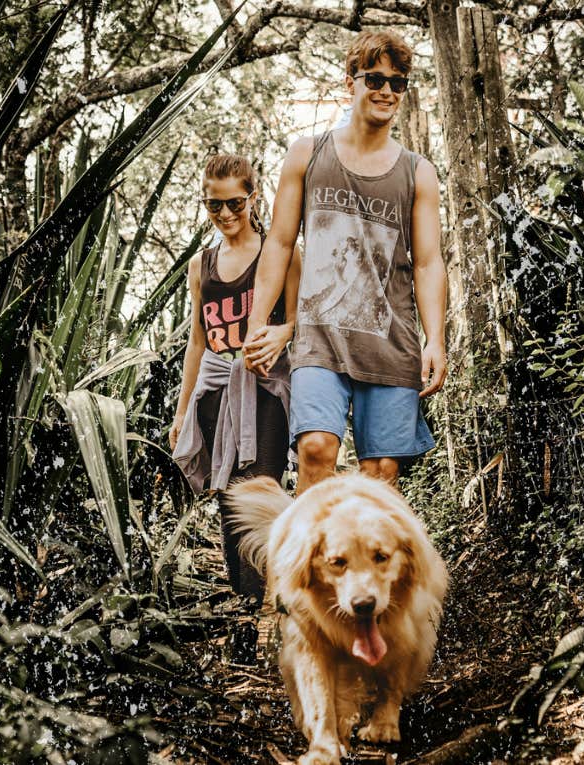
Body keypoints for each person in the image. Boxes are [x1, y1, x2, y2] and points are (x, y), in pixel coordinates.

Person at [243, 30, 447, 495]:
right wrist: (258, 322)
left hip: (392, 343)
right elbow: (278, 243)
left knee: (381, 477)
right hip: (321, 339)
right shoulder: (308, 154)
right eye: (374, 78)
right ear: (349, 83)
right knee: (316, 450)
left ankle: (367, 569)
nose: (386, 91)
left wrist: (435, 340)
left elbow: (428, 263)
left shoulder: (418, 173)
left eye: (398, 83)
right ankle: (304, 567)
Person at [170, 153, 300, 664]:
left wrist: (281, 337)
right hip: (216, 390)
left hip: (265, 390)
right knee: (228, 502)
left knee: (262, 494)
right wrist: (183, 412)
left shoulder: (280, 252)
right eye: (213, 205)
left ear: (254, 197)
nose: (225, 214)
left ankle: (274, 609)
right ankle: (248, 615)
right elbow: (197, 344)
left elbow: (302, 322)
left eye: (235, 203)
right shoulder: (199, 267)